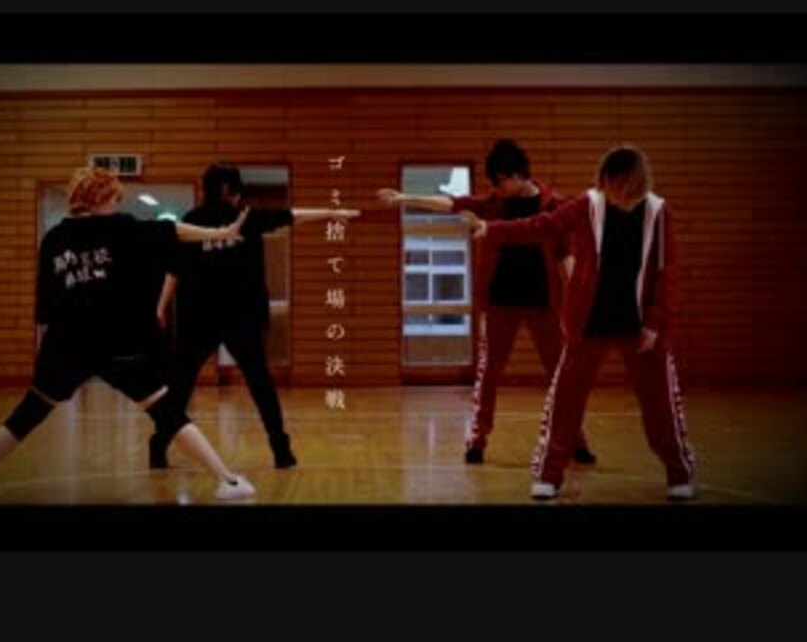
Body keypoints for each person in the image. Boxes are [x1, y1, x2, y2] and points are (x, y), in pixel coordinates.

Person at [0, 166, 256, 502]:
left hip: (68, 345)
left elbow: (48, 305)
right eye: (113, 198)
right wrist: (222, 232)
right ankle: (228, 482)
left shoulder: (53, 239)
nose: (116, 204)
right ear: (100, 198)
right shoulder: (122, 227)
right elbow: (172, 230)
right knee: (168, 413)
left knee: (28, 413)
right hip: (121, 346)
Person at [465, 144, 697, 501]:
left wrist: (655, 322)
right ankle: (549, 474)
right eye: (609, 186)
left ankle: (679, 472)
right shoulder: (587, 205)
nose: (614, 195)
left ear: (635, 185)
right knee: (565, 401)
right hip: (588, 324)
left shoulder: (659, 212)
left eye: (622, 189)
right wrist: (492, 229)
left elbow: (667, 273)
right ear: (604, 181)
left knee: (661, 405)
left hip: (641, 327)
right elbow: (541, 225)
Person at [378, 139, 596, 466]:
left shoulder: (554, 205)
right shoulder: (495, 203)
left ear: (518, 174)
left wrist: (579, 297)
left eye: (500, 180)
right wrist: (405, 198)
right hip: (499, 301)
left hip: (544, 302)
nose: (496, 187)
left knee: (561, 372)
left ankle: (576, 437)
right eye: (493, 182)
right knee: (489, 372)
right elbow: (451, 203)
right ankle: (477, 439)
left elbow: (567, 253)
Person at [152, 162, 360, 470]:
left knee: (181, 387)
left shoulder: (191, 221)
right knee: (259, 385)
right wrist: (330, 213)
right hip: (236, 318)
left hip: (202, 318)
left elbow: (174, 271)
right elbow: (293, 216)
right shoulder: (243, 217)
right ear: (229, 190)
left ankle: (158, 445)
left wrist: (160, 306)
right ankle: (281, 450)